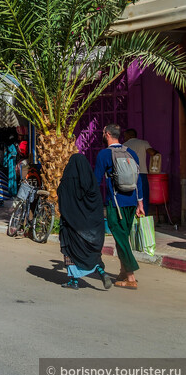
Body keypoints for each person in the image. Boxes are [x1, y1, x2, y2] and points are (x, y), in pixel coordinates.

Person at [94, 124, 144, 290]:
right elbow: (139, 180)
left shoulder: (104, 154)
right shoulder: (131, 153)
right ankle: (123, 272)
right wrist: (140, 203)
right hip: (131, 202)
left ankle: (131, 277)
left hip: (115, 204)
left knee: (121, 239)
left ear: (107, 134)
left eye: (103, 133)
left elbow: (96, 179)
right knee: (123, 238)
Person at [57, 153, 113, 290]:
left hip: (73, 226)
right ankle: (101, 271)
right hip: (92, 228)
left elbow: (62, 201)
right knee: (91, 252)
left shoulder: (66, 183)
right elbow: (98, 205)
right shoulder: (91, 183)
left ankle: (73, 281)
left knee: (71, 251)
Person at [123, 128, 158, 201]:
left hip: (128, 174)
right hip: (142, 173)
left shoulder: (123, 145)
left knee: (131, 196)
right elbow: (152, 153)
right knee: (143, 195)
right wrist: (157, 152)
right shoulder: (143, 143)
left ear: (130, 135)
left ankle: (133, 212)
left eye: (125, 136)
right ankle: (144, 211)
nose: (124, 138)